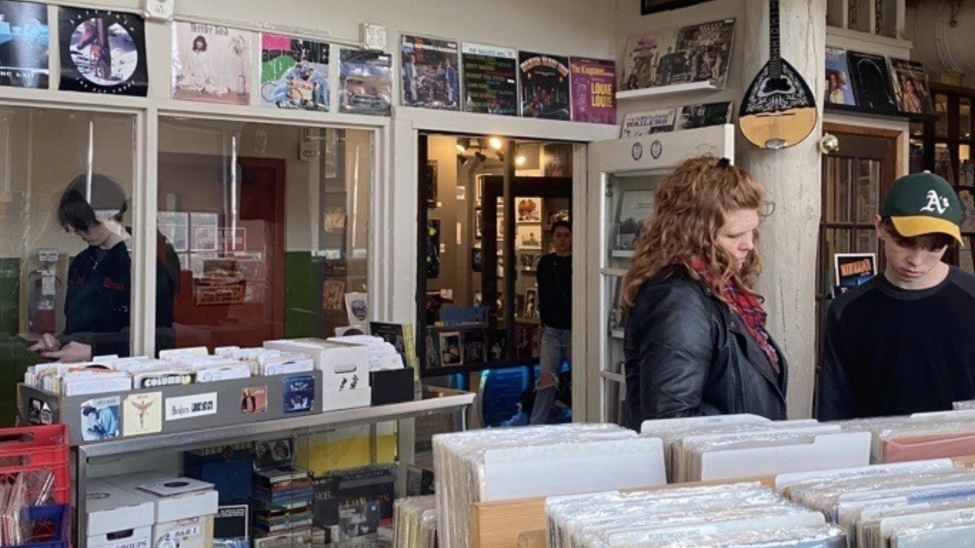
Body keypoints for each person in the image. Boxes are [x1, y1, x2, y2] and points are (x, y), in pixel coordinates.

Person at [620, 155, 787, 430]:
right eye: (734, 236)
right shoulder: (677, 298)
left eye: (752, 232)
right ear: (693, 235)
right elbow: (670, 423)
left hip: (737, 464)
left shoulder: (719, 286)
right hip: (718, 469)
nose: (748, 245)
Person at [817, 172, 975, 420]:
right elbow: (835, 406)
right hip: (877, 454)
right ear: (880, 227)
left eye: (935, 247)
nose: (916, 260)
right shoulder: (848, 310)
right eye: (904, 242)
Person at [28, 173, 175, 362]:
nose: (79, 233)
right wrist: (58, 343)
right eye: (74, 228)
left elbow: (162, 339)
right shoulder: (81, 263)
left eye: (84, 226)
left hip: (121, 374)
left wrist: (95, 352)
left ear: (108, 216)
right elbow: (77, 330)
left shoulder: (142, 265)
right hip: (78, 372)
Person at [529, 220, 573, 425]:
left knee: (580, 379)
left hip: (574, 331)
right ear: (552, 238)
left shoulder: (579, 261)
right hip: (552, 331)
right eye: (558, 235)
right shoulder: (545, 263)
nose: (562, 240)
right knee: (546, 381)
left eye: (566, 235)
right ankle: (536, 425)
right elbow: (544, 294)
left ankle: (581, 419)